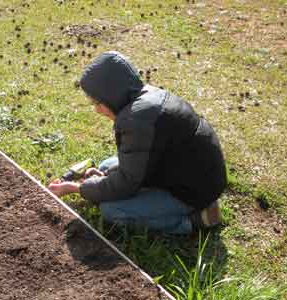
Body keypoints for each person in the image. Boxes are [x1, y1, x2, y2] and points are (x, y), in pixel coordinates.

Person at [48, 51, 227, 234]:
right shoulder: (146, 97)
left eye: (98, 103)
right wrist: (104, 179)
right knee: (106, 166)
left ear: (112, 96)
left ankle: (194, 220)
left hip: (192, 191)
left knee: (112, 210)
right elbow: (138, 164)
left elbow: (126, 183)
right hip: (188, 171)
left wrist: (76, 188)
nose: (97, 110)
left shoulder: (136, 122)